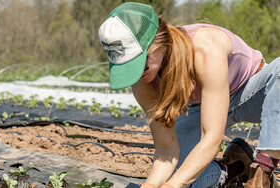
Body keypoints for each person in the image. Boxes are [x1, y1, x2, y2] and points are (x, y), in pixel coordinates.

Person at [98, 2, 280, 188]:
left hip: (250, 93)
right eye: (128, 67)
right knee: (183, 171)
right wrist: (152, 185)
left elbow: (212, 138)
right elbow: (166, 149)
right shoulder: (142, 79)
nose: (138, 74)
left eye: (140, 63)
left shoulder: (205, 48)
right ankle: (234, 166)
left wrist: (174, 186)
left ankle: (263, 173)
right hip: (202, 106)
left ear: (159, 39)